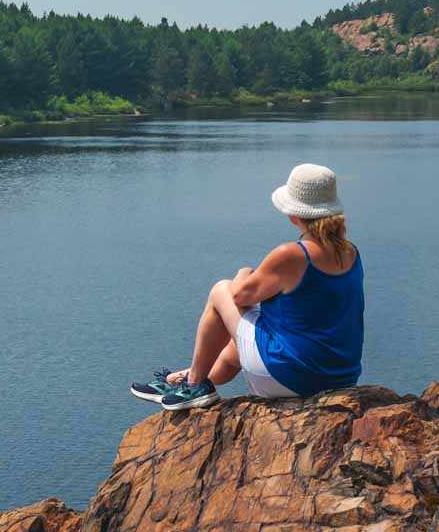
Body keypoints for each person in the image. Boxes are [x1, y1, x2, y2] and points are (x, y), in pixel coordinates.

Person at [132, 163, 364, 411]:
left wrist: (245, 272)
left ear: (293, 214)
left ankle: (196, 385)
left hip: (294, 379)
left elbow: (241, 296)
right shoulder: (350, 252)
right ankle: (179, 381)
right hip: (340, 376)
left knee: (221, 290)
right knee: (236, 347)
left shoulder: (292, 255)